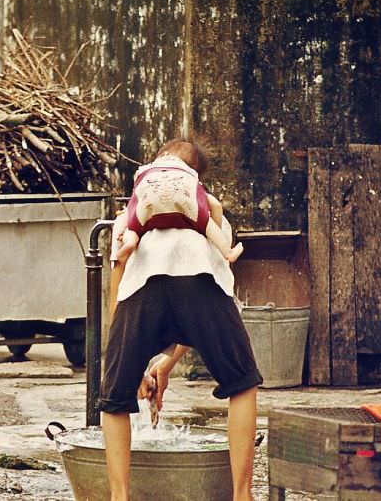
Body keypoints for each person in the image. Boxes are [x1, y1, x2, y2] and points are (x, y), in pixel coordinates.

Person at [100, 136, 262, 501]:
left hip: (141, 288)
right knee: (242, 382)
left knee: (114, 399)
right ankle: (242, 495)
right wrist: (170, 361)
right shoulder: (209, 213)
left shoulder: (130, 213)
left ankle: (118, 497)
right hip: (202, 281)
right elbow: (207, 307)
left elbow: (120, 277)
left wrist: (130, 360)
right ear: (196, 179)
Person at [116, 140, 244, 263]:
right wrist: (213, 229)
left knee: (132, 227)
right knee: (207, 224)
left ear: (164, 155)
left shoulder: (145, 170)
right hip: (184, 205)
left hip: (148, 203)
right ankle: (228, 253)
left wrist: (128, 213)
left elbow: (136, 198)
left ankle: (130, 241)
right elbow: (216, 206)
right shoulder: (189, 175)